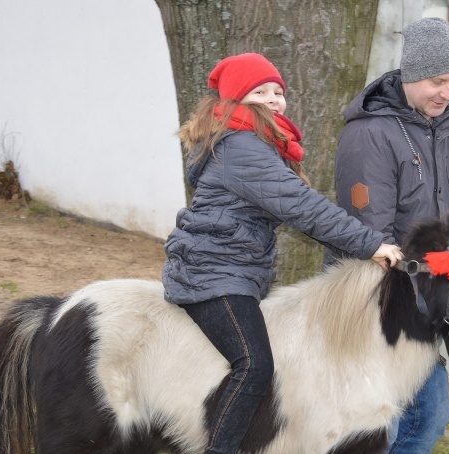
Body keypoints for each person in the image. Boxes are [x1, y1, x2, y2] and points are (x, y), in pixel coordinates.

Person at [161, 52, 403, 454]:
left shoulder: (252, 143)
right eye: (261, 91)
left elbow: (300, 210)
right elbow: (301, 206)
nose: (275, 99)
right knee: (254, 366)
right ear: (237, 100)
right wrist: (370, 244)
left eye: (278, 91)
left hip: (231, 271)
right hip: (212, 276)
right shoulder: (241, 147)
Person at [322, 17, 449, 454]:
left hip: (431, 296)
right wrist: (434, 270)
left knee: (429, 420)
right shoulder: (370, 132)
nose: (447, 92)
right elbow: (372, 236)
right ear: (410, 75)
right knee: (378, 424)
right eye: (437, 81)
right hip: (379, 301)